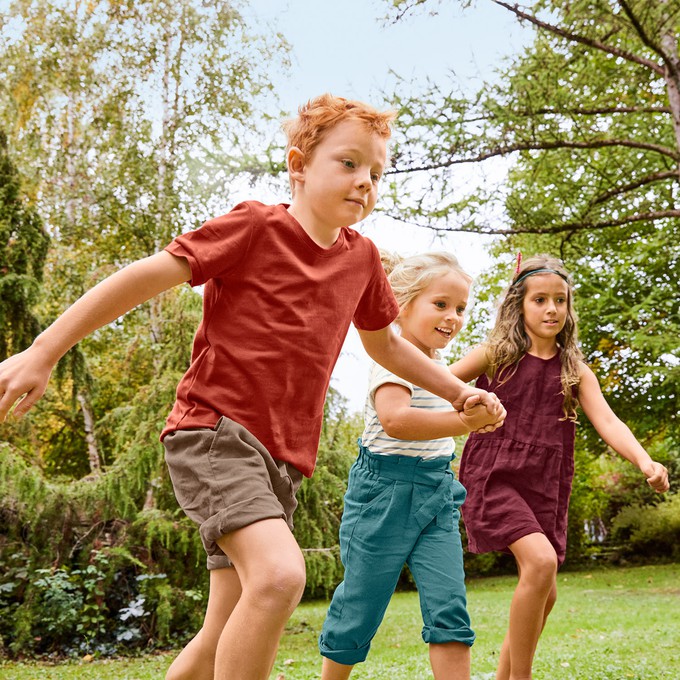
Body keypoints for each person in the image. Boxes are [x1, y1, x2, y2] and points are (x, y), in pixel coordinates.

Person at [0, 94, 505, 680]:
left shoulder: (361, 260)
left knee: (224, 626)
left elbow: (388, 346)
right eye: (348, 163)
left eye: (376, 172)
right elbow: (147, 276)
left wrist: (457, 394)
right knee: (279, 576)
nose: (365, 182)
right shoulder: (255, 227)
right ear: (299, 164)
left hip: (280, 458)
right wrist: (43, 351)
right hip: (214, 432)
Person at [450, 253, 670, 680]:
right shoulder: (495, 355)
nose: (551, 309)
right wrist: (451, 406)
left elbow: (607, 420)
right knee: (541, 564)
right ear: (519, 305)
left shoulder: (576, 371)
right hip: (495, 474)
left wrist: (645, 460)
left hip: (546, 482)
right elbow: (443, 382)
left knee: (545, 593)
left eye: (560, 300)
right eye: (540, 300)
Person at [319, 251, 500, 680]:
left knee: (449, 605)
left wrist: (482, 411)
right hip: (383, 493)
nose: (453, 316)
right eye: (440, 304)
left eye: (460, 308)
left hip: (436, 493)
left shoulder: (440, 371)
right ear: (402, 305)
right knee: (360, 605)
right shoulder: (390, 360)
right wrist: (463, 420)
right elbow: (396, 421)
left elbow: (459, 405)